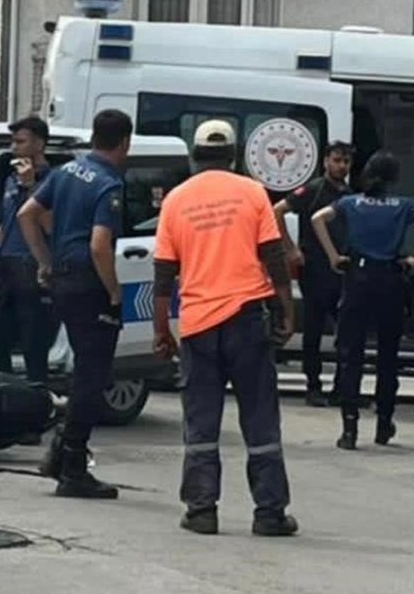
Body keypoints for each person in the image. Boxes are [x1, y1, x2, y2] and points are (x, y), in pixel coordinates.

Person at [152, 119, 298, 537]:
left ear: (195, 156)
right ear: (234, 156)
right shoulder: (253, 193)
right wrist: (287, 311)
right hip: (247, 320)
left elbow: (164, 274)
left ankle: (201, 510)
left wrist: (162, 330)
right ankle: (269, 513)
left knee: (201, 420)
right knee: (260, 419)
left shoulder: (177, 201)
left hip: (198, 325)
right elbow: (274, 258)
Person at [16, 109, 130, 499]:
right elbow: (101, 244)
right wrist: (114, 292)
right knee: (92, 378)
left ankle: (59, 456)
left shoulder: (66, 172)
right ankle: (74, 467)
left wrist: (45, 262)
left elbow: (26, 214)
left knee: (83, 371)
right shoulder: (109, 184)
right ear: (125, 142)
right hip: (89, 286)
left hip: (63, 280)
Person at [311, 151, 414, 449]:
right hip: (391, 282)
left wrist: (334, 256)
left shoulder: (350, 202)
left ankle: (349, 428)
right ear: (394, 178)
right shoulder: (404, 205)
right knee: (387, 356)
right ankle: (384, 423)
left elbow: (317, 218)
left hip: (357, 281)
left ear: (367, 174)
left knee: (351, 355)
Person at [0, 117, 56, 384]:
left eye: (21, 141)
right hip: (5, 267)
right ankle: (3, 394)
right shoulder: (11, 179)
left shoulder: (51, 181)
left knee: (33, 342)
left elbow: (50, 225)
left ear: (40, 143)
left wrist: (30, 186)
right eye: (13, 142)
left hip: (31, 268)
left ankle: (37, 397)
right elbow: (4, 225)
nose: (15, 147)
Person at [274, 142, 354, 407]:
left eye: (345, 161)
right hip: (316, 269)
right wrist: (290, 248)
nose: (341, 166)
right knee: (313, 330)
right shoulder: (313, 190)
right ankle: (313, 386)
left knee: (346, 331)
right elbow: (278, 211)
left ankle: (342, 387)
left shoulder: (350, 195)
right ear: (326, 162)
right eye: (337, 160)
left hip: (342, 269)